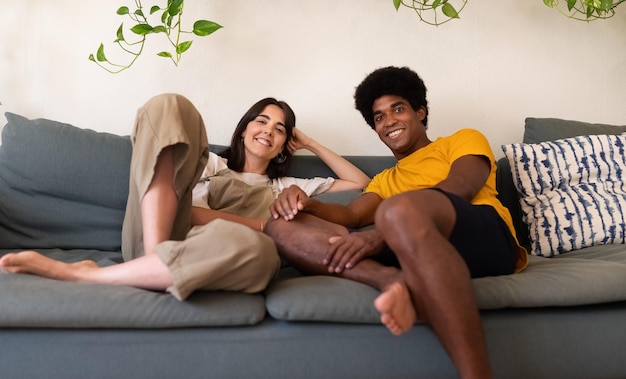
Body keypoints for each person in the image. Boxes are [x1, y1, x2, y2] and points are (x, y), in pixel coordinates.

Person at [264, 67, 528, 379]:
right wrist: (306, 200)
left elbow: (461, 188)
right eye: (378, 117)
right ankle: (390, 281)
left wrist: (380, 235)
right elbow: (350, 216)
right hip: (410, 245)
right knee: (279, 226)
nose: (388, 121)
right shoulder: (384, 180)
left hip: (485, 237)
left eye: (398, 109)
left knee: (399, 210)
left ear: (420, 112)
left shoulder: (462, 139)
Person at [0, 93, 370, 300]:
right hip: (158, 236)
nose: (268, 131)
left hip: (221, 256)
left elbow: (360, 182)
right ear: (243, 130)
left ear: (283, 147)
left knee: (257, 250)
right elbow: (188, 213)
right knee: (173, 107)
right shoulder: (208, 163)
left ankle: (92, 277)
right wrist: (261, 223)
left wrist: (309, 143)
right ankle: (154, 259)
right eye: (261, 121)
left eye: (280, 130)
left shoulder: (285, 188)